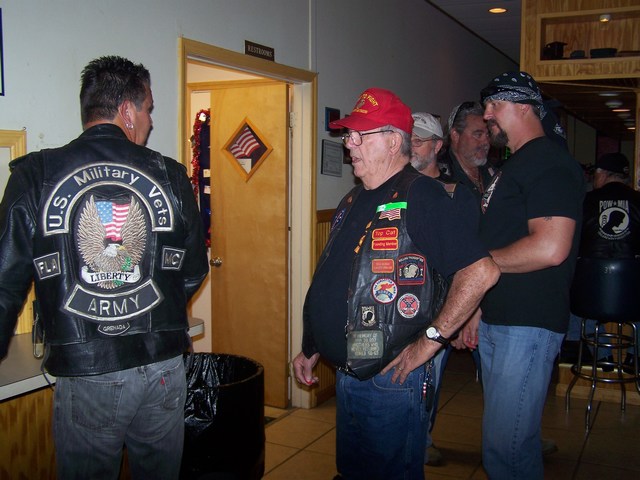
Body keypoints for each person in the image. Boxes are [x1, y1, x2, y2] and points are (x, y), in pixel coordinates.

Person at [0, 56, 209, 479]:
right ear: (127, 111)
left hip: (88, 369)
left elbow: (5, 283)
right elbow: (193, 270)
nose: (150, 120)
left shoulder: (36, 174)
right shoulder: (170, 175)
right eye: (148, 108)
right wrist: (152, 307)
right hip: (163, 365)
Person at [292, 87, 500, 480]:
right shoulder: (354, 198)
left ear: (392, 141)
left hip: (391, 377)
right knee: (353, 471)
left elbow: (481, 271)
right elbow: (338, 277)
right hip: (350, 370)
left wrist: (430, 341)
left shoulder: (422, 194)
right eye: (348, 135)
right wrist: (313, 343)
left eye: (360, 135)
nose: (349, 143)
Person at [477, 71, 584, 479]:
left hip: (527, 323)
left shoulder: (549, 162)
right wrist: (475, 307)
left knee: (507, 449)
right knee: (507, 439)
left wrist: (478, 264)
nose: (487, 115)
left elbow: (550, 247)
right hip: (502, 318)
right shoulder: (516, 163)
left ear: (524, 107)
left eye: (495, 105)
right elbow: (502, 238)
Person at [571, 152, 640, 371]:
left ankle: (599, 356)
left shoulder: (584, 202)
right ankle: (634, 357)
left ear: (601, 174)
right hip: (632, 295)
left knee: (570, 298)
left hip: (590, 296)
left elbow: (570, 244)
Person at [409, 112, 445, 179]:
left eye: (417, 141)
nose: (409, 148)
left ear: (437, 146)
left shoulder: (447, 185)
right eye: (406, 141)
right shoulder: (393, 181)